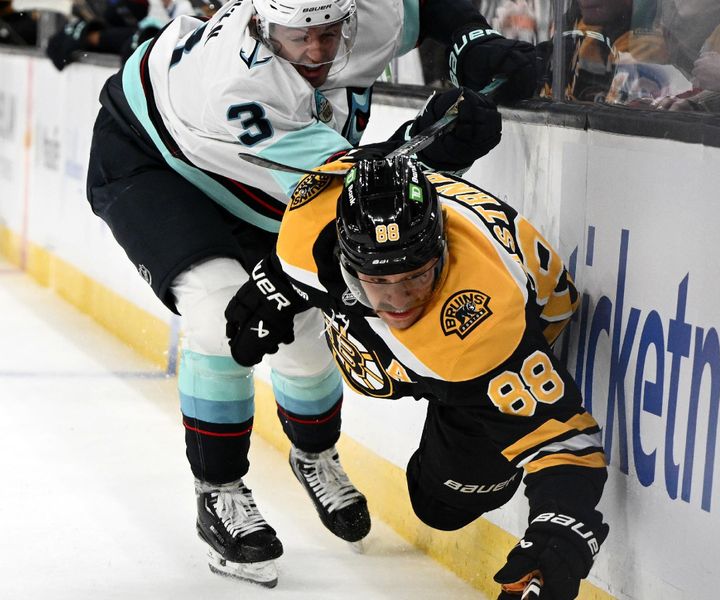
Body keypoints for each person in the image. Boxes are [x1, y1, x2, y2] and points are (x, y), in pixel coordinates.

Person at [85, 0, 546, 588]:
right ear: (257, 22)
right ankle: (218, 491)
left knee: (306, 332)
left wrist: (471, 41)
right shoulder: (239, 84)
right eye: (297, 36)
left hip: (253, 170)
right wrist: (431, 143)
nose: (318, 52)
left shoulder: (363, 15)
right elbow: (347, 185)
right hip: (153, 160)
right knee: (221, 314)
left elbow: (427, 9)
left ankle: (315, 454)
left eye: (330, 33)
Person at [226, 155, 610, 599]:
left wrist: (557, 532)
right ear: (344, 262)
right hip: (439, 337)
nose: (399, 300)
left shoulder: (478, 326)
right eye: (376, 280)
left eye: (416, 275)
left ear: (442, 250)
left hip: (492, 354)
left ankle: (447, 399)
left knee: (441, 505)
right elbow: (371, 166)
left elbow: (565, 442)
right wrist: (276, 284)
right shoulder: (306, 223)